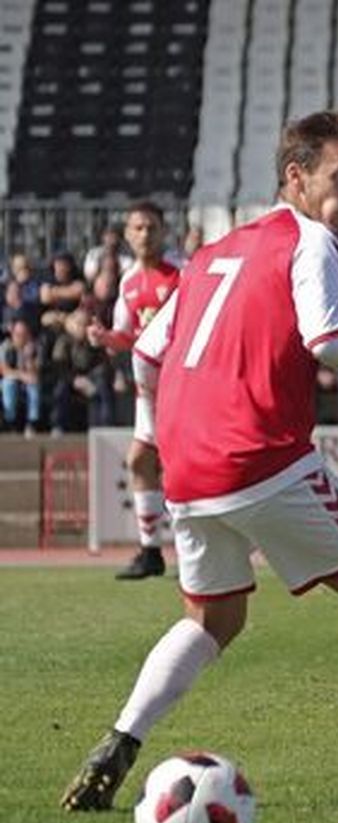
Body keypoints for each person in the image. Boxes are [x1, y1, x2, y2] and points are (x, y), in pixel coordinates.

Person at [61, 110, 338, 811]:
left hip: (187, 471)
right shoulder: (310, 243)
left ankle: (119, 742)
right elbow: (334, 344)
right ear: (296, 176)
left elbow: (148, 351)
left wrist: (165, 429)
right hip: (258, 456)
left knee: (213, 619)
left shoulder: (214, 252)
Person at [86, 201, 181, 579]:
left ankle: (193, 551)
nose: (145, 234)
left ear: (164, 231)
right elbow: (128, 336)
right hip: (149, 388)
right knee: (141, 461)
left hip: (181, 384)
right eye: (138, 228)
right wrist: (104, 336)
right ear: (127, 234)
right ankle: (151, 552)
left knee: (175, 464)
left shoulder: (182, 273)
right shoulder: (128, 281)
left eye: (151, 227)